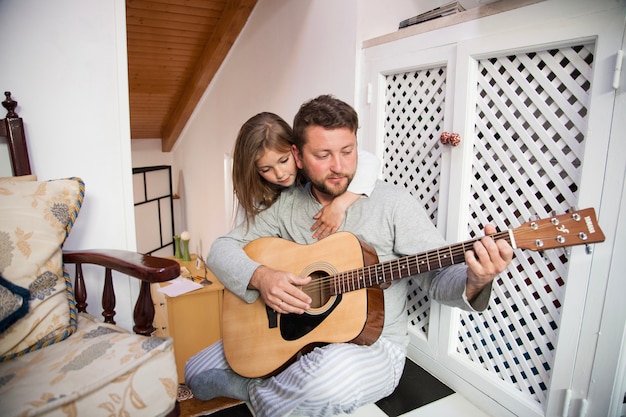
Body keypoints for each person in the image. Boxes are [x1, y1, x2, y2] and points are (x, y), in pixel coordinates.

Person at [185, 95, 513, 417]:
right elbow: (221, 249)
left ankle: (256, 391)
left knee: (324, 384)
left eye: (347, 151)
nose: (339, 166)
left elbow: (438, 279)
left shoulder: (393, 203)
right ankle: (284, 388)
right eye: (323, 155)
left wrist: (476, 279)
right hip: (298, 337)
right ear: (297, 156)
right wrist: (261, 276)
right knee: (195, 372)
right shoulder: (284, 204)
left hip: (372, 346)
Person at [231, 111, 380, 239]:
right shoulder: (254, 197)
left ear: (296, 152)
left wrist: (339, 205)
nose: (280, 174)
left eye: (284, 160)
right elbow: (240, 243)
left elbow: (370, 162)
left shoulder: (315, 169)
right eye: (266, 169)